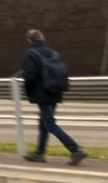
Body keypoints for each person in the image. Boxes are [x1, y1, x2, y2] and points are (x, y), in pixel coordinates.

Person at [21, 29, 87, 166]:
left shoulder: (30, 54)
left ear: (29, 40)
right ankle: (39, 153)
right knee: (44, 123)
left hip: (41, 93)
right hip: (55, 91)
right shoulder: (54, 53)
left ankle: (75, 150)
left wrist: (29, 93)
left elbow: (30, 77)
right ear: (42, 38)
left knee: (50, 124)